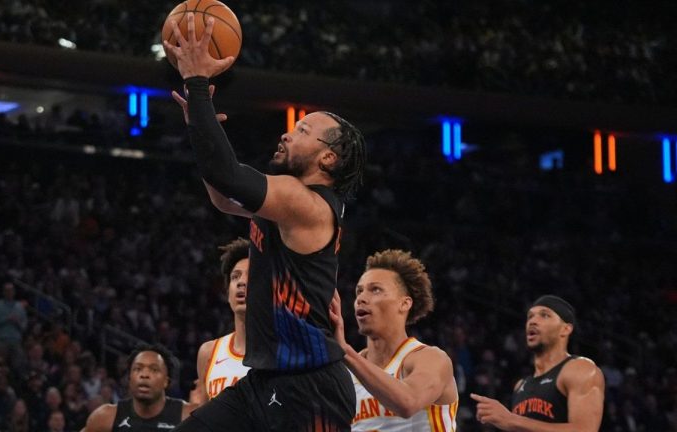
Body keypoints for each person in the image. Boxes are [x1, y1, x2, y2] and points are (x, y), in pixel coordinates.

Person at [164, 12, 366, 432]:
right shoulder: (284, 203)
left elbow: (227, 174)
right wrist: (198, 129)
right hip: (264, 381)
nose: (288, 133)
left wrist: (197, 84)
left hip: (311, 387)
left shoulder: (307, 203)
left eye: (304, 130)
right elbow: (223, 197)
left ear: (328, 158)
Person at [329, 249, 458, 431]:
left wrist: (344, 351)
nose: (361, 298)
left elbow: (408, 403)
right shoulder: (345, 374)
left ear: (404, 303)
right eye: (359, 291)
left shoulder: (431, 359)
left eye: (375, 290)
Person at [471, 295, 605, 431]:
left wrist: (511, 420)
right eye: (530, 316)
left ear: (565, 329)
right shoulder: (521, 386)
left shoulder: (580, 369)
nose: (533, 321)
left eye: (545, 315)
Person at [191, 238, 251, 405]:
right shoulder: (208, 352)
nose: (241, 282)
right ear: (227, 293)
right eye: (235, 277)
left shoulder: (285, 351)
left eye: (251, 275)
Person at [82, 345, 192, 431]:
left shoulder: (187, 417)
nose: (144, 375)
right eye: (138, 369)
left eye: (154, 370)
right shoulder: (105, 417)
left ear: (166, 381)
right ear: (129, 379)